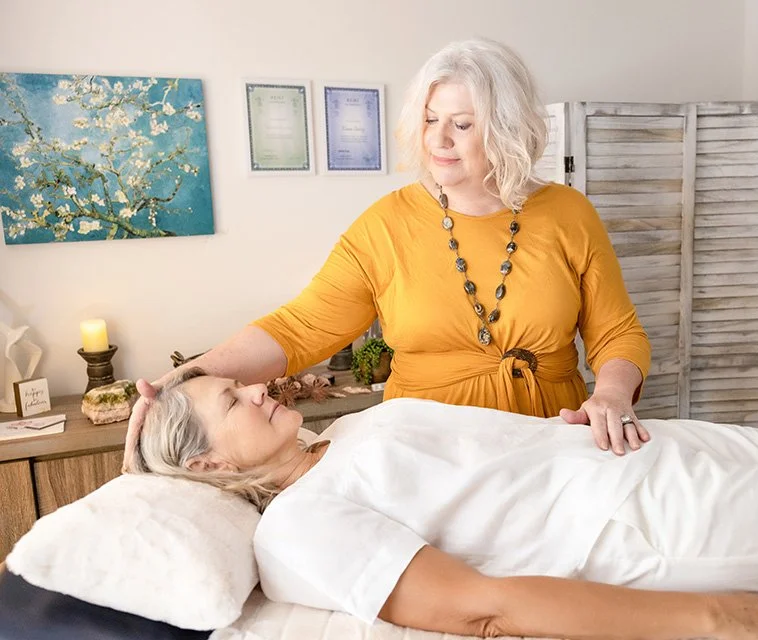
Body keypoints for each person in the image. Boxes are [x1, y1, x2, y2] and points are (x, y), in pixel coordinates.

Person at [122, 38, 652, 472]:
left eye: (462, 124)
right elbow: (300, 328)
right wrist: (185, 376)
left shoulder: (568, 213)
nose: (438, 140)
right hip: (425, 455)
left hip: (549, 441)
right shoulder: (385, 225)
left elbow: (617, 332)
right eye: (429, 119)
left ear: (508, 128)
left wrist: (611, 393)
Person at [131, 368, 758, 640]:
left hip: (646, 447)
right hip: (655, 519)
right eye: (233, 399)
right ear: (207, 462)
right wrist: (718, 616)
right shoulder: (299, 529)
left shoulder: (341, 432)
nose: (257, 388)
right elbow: (484, 606)